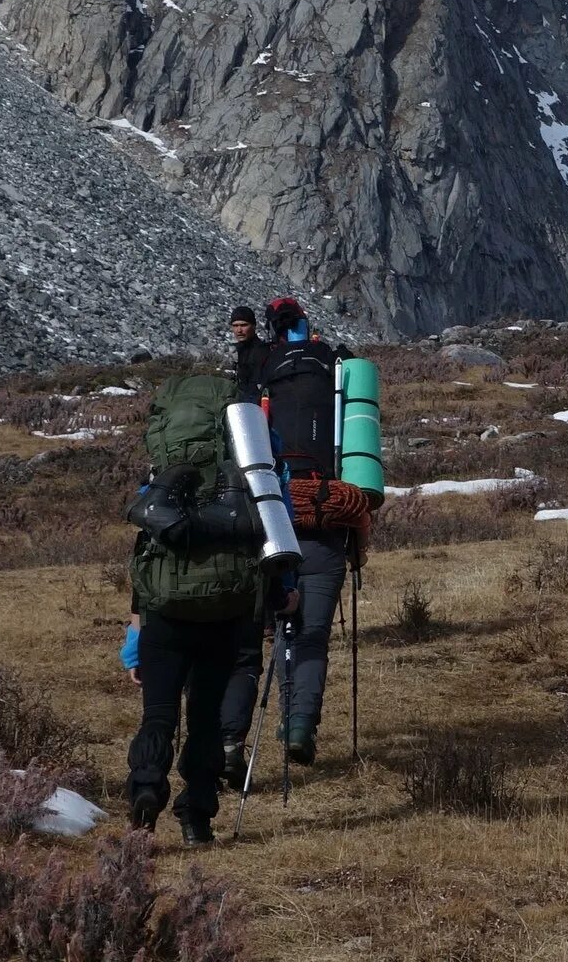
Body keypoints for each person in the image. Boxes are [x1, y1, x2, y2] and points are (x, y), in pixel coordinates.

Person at [123, 369, 294, 845]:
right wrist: (281, 596)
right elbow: (272, 534)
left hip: (164, 612)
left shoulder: (160, 476)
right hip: (227, 611)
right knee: (204, 718)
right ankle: (196, 817)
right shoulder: (248, 469)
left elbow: (143, 556)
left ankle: (146, 789)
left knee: (158, 714)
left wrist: (134, 639)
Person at [218, 294, 372, 769]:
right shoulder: (333, 362)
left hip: (274, 517)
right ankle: (300, 725)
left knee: (282, 623)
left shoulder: (263, 365)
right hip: (329, 517)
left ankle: (248, 733)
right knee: (314, 634)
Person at [228, 306, 265, 394]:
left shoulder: (262, 352)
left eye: (244, 325)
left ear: (254, 326)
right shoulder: (238, 351)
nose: (239, 330)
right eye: (235, 326)